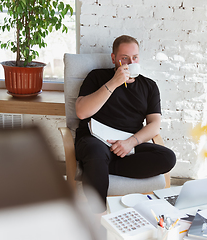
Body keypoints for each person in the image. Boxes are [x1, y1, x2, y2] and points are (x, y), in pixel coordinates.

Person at [74, 35, 176, 213]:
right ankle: (97, 218)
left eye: (135, 57)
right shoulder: (97, 77)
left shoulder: (149, 86)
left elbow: (154, 125)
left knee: (168, 157)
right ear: (114, 58)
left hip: (128, 144)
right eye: (124, 58)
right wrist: (114, 82)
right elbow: (82, 112)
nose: (130, 62)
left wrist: (131, 142)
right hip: (95, 139)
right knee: (96, 152)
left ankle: (98, 166)